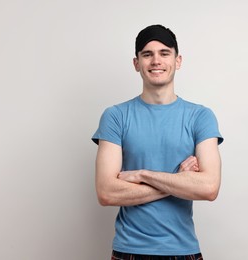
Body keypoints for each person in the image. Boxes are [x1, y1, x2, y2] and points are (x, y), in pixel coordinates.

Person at [92, 24, 224, 260]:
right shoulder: (115, 116)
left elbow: (209, 188)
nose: (156, 61)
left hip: (184, 251)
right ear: (136, 64)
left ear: (178, 60)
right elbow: (106, 192)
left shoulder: (201, 116)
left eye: (164, 53)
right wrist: (179, 181)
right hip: (129, 251)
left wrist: (142, 174)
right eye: (147, 54)